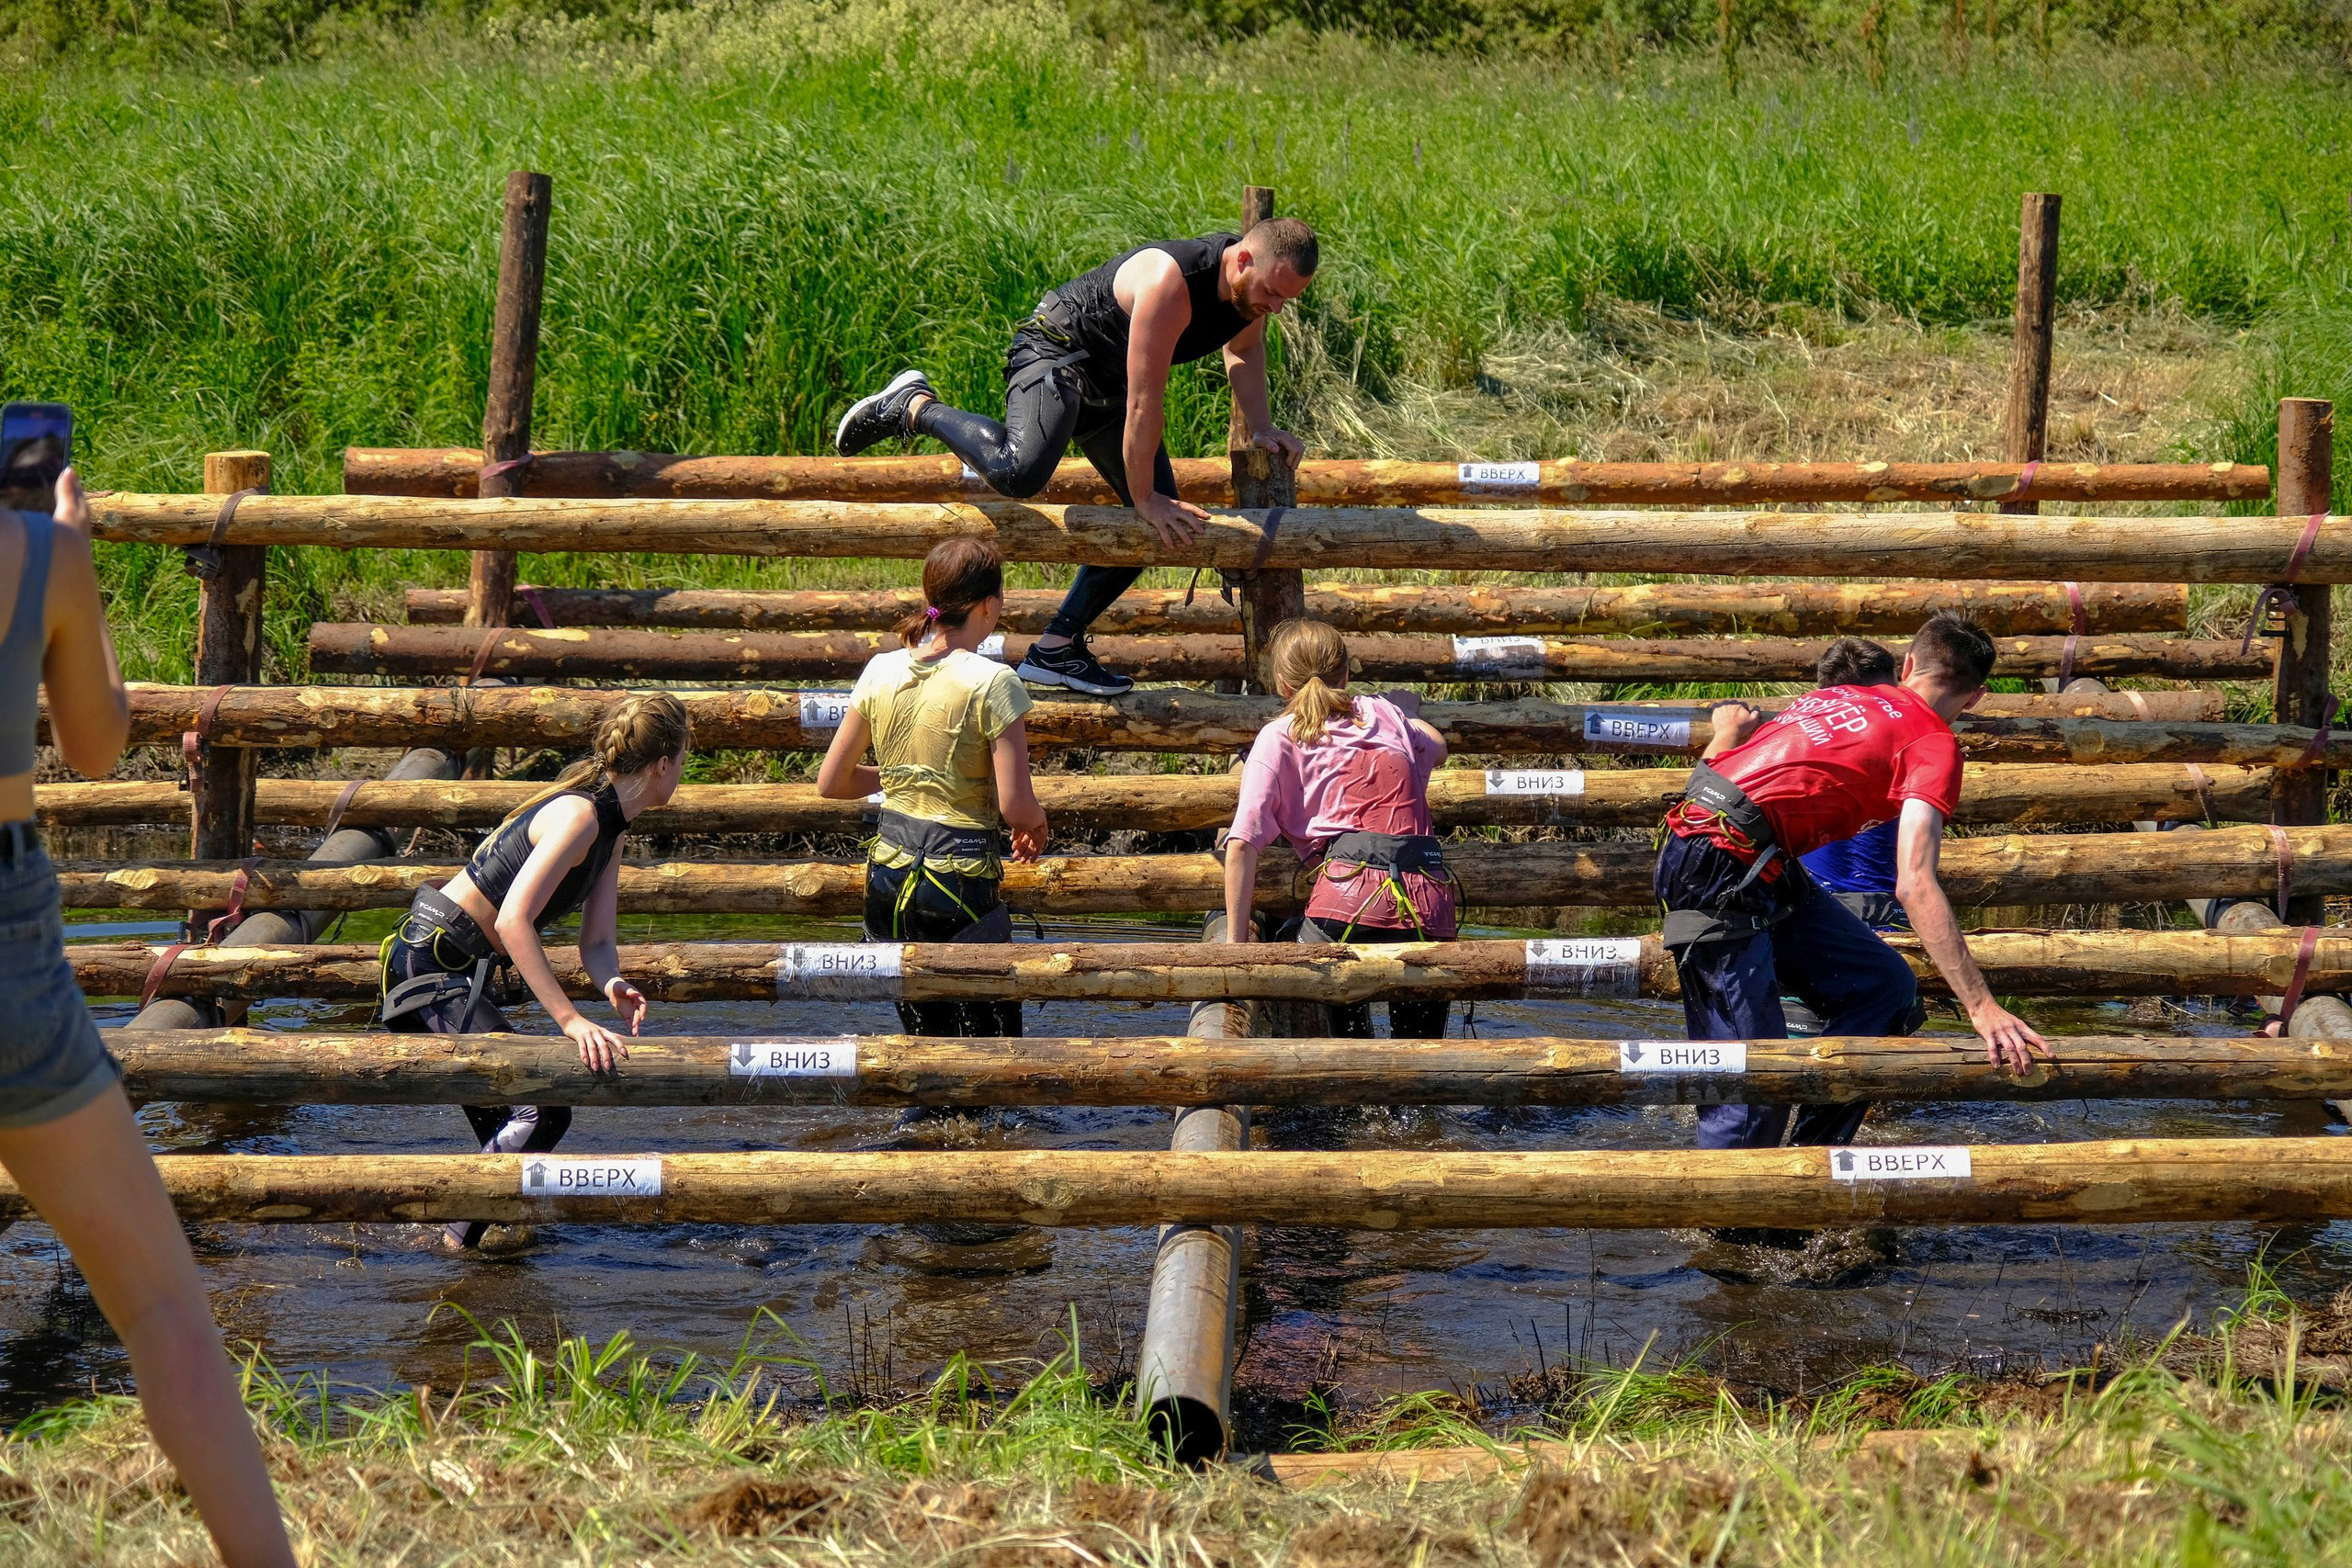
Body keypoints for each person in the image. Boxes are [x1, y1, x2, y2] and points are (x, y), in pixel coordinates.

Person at [0, 468, 296, 1565]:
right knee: (164, 1304)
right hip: (10, 942)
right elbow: (93, 744)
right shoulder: (38, 554)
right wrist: (67, 552)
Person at [832, 220, 1320, 697]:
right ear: (1243, 258)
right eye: (1273, 293)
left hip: (1105, 388)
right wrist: (1144, 496)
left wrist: (1261, 427)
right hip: (1057, 353)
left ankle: (1057, 647)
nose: (1275, 308)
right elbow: (1144, 403)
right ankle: (915, 406)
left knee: (1163, 526)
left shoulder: (1246, 296)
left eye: (1286, 300)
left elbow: (1243, 352)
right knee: (1019, 473)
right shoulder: (1169, 282)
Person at [1655, 611, 2049, 1150]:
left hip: (1740, 856)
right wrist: (1982, 1008)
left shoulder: (1837, 697)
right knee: (1752, 1083)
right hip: (1721, 870)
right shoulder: (1933, 744)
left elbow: (1712, 786)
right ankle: (1734, 1228)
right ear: (1976, 697)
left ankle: (1813, 1161)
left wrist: (1725, 735)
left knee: (1885, 987)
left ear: (1909, 664)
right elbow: (1913, 883)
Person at [379, 692, 690, 1249]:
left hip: (458, 974)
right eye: (684, 761)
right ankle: (451, 1245)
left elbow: (596, 942)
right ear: (664, 763)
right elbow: (513, 922)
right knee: (542, 1106)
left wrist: (612, 983)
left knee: (513, 1133)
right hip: (427, 970)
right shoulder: (580, 816)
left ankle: (476, 1248)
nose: (684, 774)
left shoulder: (612, 826)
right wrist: (571, 1022)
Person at [816, 538, 1048, 1037]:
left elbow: (831, 781)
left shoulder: (881, 668)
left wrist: (904, 775)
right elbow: (1015, 806)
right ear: (989, 606)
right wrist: (1036, 823)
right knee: (995, 1062)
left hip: (888, 885)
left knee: (927, 1053)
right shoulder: (993, 681)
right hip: (958, 887)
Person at [1223, 619, 1454, 1040]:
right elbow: (1437, 748)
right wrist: (1411, 715)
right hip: (1427, 903)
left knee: (1352, 1059)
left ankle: (1356, 1084)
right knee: (1421, 1062)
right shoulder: (1385, 712)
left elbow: (1241, 845)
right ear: (1346, 674)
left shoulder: (1278, 736)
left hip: (1344, 907)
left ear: (1281, 683)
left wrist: (1236, 949)